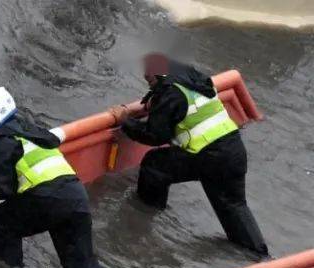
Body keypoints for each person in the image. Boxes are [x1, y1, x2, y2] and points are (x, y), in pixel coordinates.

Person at [0, 87, 113, 268]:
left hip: (49, 197)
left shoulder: (4, 141)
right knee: (83, 263)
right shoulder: (30, 130)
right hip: (76, 195)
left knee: (1, 220)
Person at [112, 53, 268, 256]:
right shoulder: (193, 78)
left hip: (209, 156)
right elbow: (177, 108)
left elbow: (155, 135)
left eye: (149, 78)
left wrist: (126, 122)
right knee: (234, 206)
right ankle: (259, 256)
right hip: (233, 150)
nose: (148, 83)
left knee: (155, 165)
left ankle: (144, 216)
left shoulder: (170, 92)